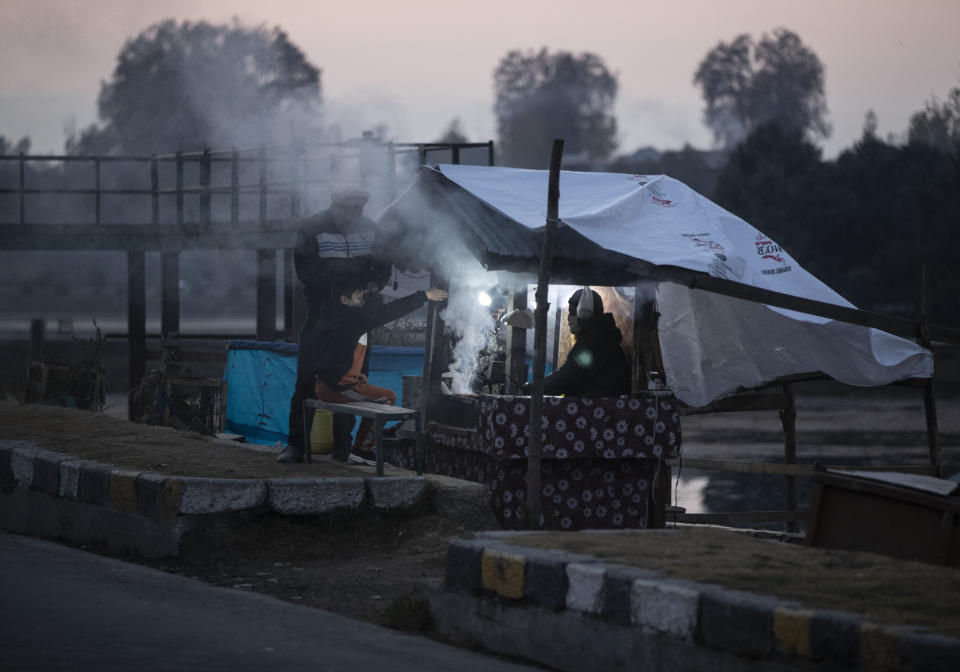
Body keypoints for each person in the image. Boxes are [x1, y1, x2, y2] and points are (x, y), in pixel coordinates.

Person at [280, 187, 392, 464]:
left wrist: (375, 284)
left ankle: (343, 449)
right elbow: (306, 272)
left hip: (358, 318)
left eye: (359, 208)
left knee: (352, 382)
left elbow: (383, 265)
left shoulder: (370, 229)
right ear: (334, 204)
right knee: (307, 379)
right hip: (322, 317)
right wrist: (340, 289)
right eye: (349, 208)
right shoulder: (313, 229)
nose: (354, 214)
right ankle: (296, 445)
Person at [279, 283, 448, 463]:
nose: (363, 300)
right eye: (358, 297)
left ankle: (346, 450)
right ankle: (361, 449)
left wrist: (362, 372)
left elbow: (360, 349)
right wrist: (423, 295)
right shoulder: (350, 319)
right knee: (387, 398)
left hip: (336, 383)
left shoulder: (344, 319)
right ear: (344, 300)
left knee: (369, 398)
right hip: (336, 386)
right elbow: (389, 311)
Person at [524, 288, 630, 397]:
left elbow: (569, 376)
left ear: (584, 314)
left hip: (594, 408)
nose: (569, 318)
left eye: (572, 313)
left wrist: (534, 388)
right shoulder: (602, 336)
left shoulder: (593, 342)